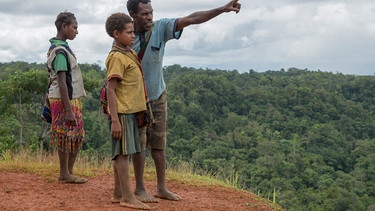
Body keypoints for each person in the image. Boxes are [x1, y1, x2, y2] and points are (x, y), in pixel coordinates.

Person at [126, 0, 241, 202]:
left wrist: (222, 9)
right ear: (132, 14)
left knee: (159, 145)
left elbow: (191, 19)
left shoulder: (160, 28)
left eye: (151, 12)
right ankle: (140, 188)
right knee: (139, 145)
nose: (150, 17)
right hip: (136, 100)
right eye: (144, 14)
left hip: (158, 95)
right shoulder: (125, 36)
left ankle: (162, 188)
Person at [105, 12, 151, 210]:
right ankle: (127, 196)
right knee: (122, 154)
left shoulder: (128, 52)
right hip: (122, 113)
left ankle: (118, 193)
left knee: (123, 153)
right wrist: (115, 119)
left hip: (131, 112)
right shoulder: (116, 57)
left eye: (133, 32)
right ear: (116, 34)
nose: (133, 36)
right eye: (129, 32)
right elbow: (111, 89)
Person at [47, 11, 87, 184]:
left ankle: (68, 172)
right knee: (65, 134)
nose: (76, 31)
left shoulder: (60, 48)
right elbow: (62, 82)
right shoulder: (61, 51)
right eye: (74, 27)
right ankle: (65, 173)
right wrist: (69, 110)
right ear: (64, 27)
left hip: (67, 99)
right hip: (65, 100)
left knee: (75, 135)